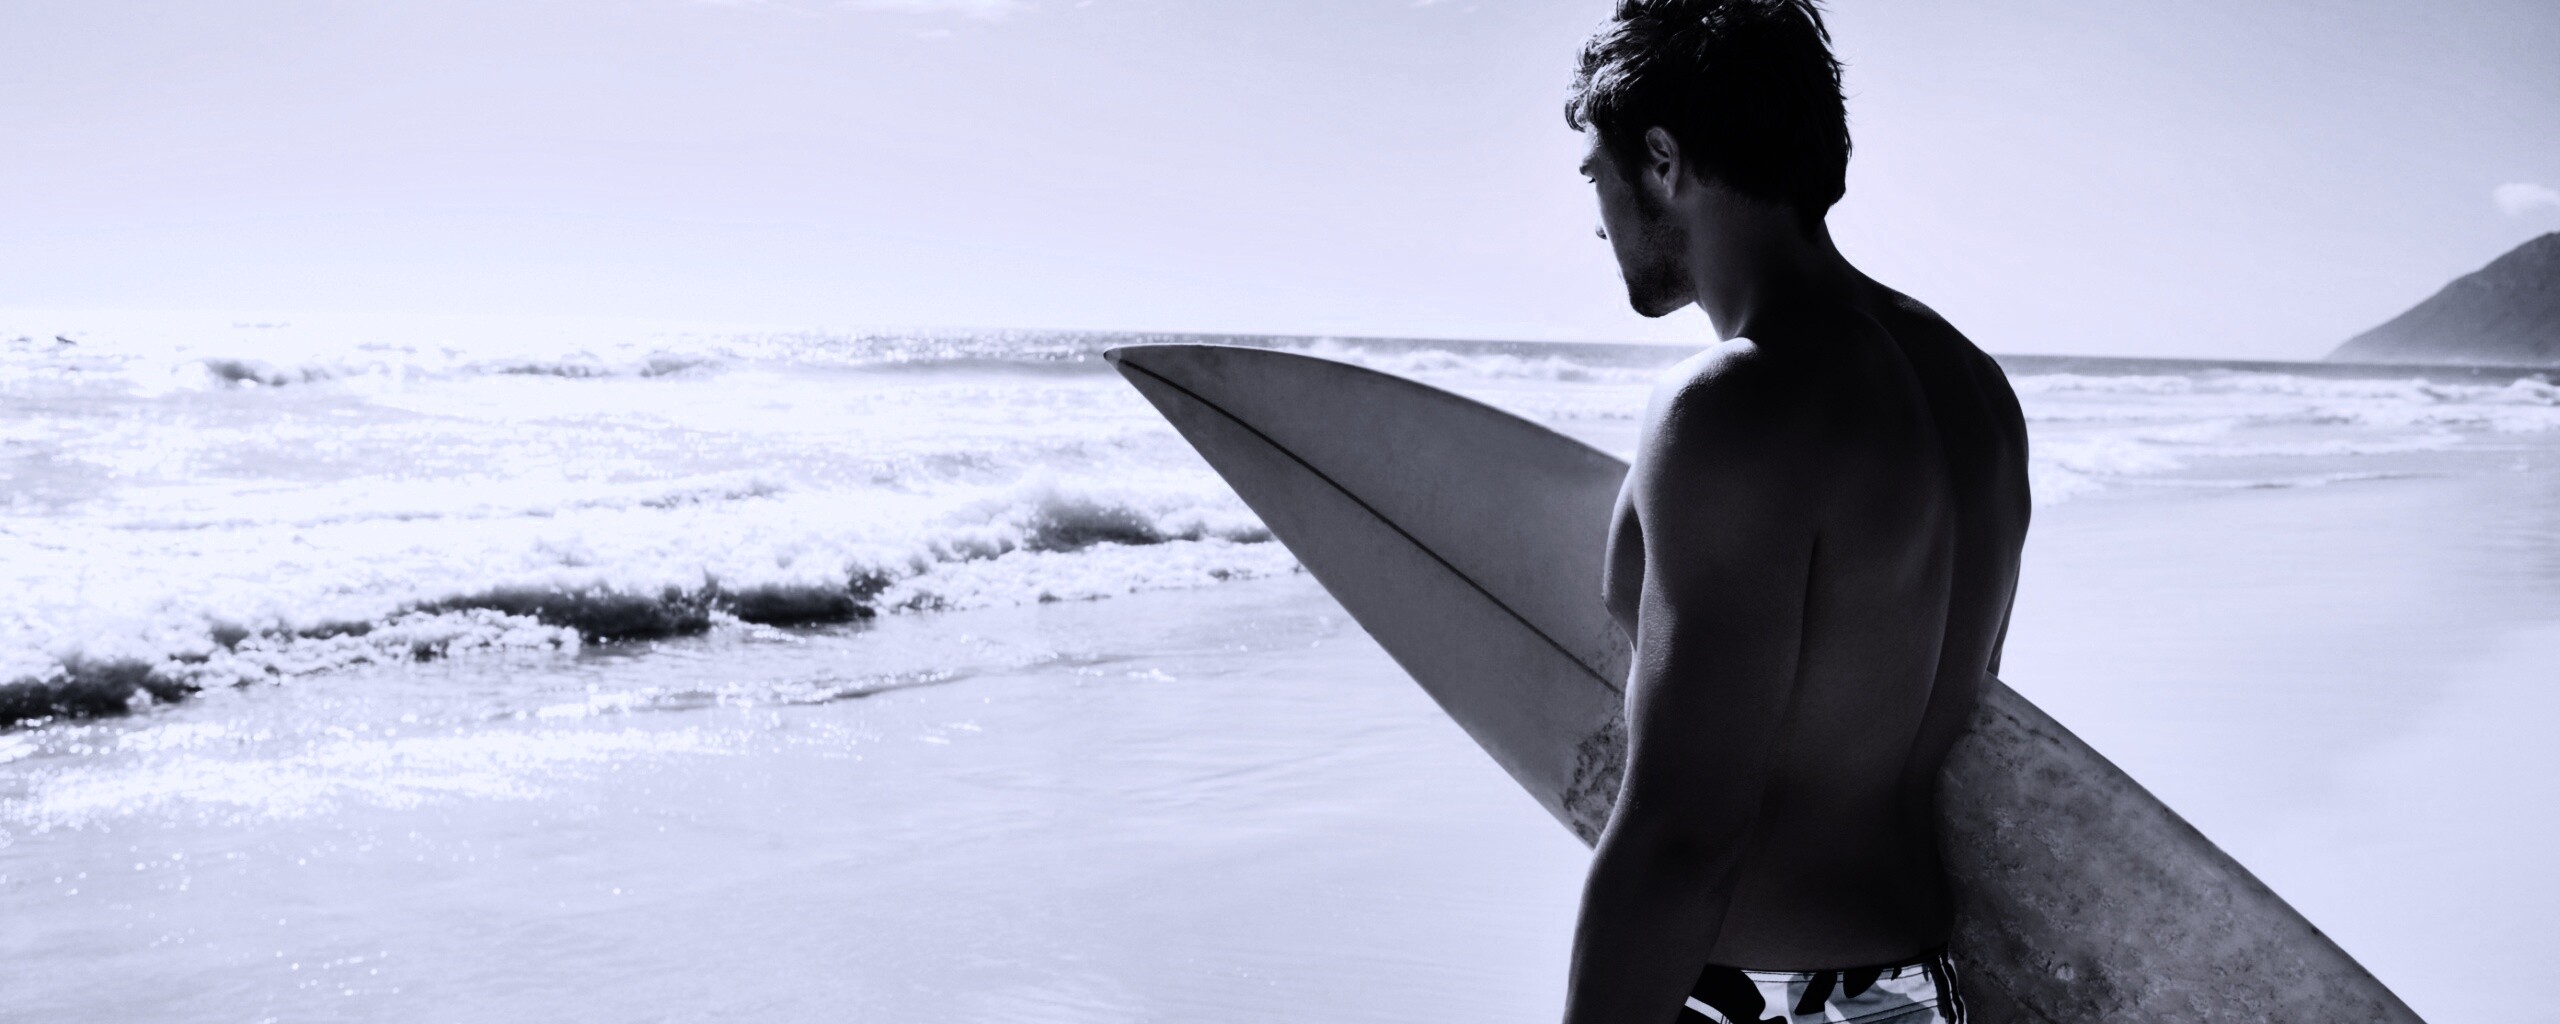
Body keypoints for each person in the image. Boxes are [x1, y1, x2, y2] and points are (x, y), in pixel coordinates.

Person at [1558, 2, 2032, 1022]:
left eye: (1594, 175)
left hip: (1759, 992)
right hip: (1917, 990)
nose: (1594, 218)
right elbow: (1959, 731)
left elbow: (1682, 835)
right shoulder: (1978, 394)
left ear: (1661, 160)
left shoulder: (1732, 405)